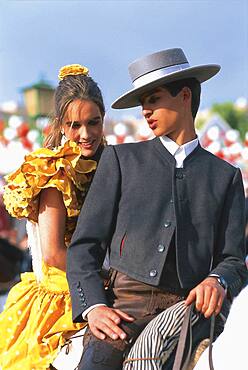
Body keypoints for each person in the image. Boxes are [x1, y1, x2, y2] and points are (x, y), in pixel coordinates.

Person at [67, 48, 247, 370]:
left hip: (193, 310)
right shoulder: (120, 161)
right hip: (124, 310)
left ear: (185, 96)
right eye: (142, 104)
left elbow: (234, 258)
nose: (145, 112)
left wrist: (217, 280)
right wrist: (94, 306)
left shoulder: (225, 176)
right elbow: (84, 247)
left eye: (154, 99)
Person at [0, 63, 105, 370]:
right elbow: (55, 253)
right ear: (60, 125)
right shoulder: (55, 173)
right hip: (65, 296)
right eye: (74, 125)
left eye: (93, 122)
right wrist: (107, 278)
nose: (85, 134)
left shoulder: (109, 163)